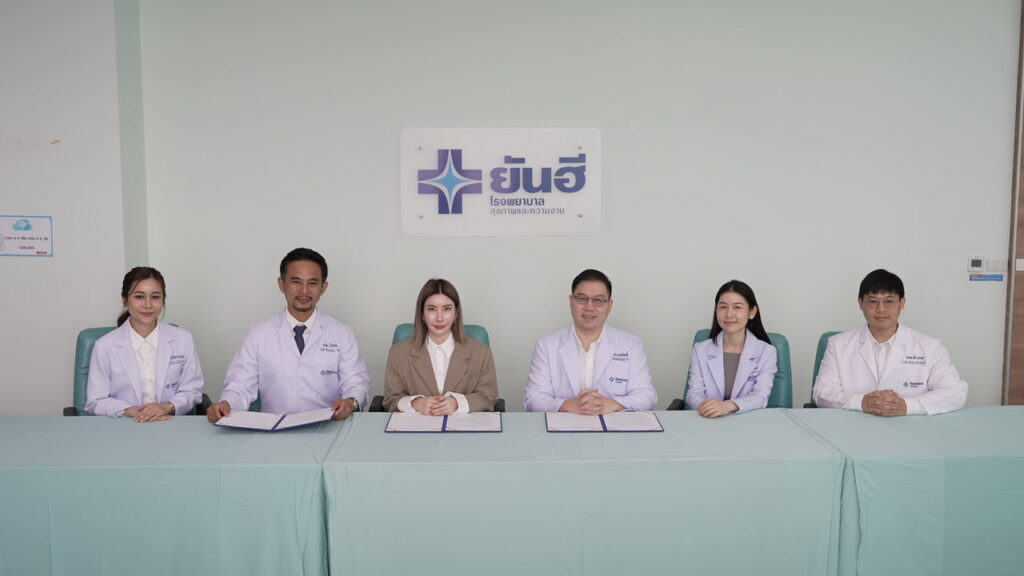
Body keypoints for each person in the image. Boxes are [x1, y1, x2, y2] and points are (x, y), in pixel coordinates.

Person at [206, 248, 370, 423]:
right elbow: (240, 386)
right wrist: (226, 404)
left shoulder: (342, 333)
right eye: (296, 282)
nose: (304, 291)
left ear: (323, 287)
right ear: (281, 284)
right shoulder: (258, 334)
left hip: (328, 425)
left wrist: (351, 402)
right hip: (275, 428)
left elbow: (356, 383)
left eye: (312, 283)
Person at [813, 269, 968, 416]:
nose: (881, 309)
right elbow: (821, 393)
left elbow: (955, 392)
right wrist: (862, 402)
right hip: (853, 425)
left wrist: (907, 406)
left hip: (911, 427)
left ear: (902, 303)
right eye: (872, 301)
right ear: (860, 303)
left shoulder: (930, 347)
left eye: (889, 301)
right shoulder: (838, 344)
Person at [524, 269, 656, 413]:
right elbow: (533, 399)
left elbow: (647, 396)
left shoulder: (630, 344)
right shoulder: (546, 346)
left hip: (615, 424)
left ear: (609, 305)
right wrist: (566, 405)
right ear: (571, 301)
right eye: (582, 299)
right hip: (564, 423)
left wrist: (613, 404)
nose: (589, 307)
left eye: (598, 300)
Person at [86, 267, 204, 420]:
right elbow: (96, 401)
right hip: (124, 424)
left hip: (170, 423)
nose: (148, 305)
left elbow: (193, 390)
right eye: (139, 297)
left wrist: (166, 407)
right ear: (124, 300)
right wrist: (130, 411)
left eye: (155, 297)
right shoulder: (104, 346)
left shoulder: (183, 339)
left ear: (163, 300)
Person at [383, 278, 498, 413]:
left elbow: (488, 397)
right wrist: (416, 404)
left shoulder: (481, 353)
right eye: (431, 309)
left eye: (447, 309)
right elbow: (390, 399)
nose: (439, 318)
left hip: (462, 425)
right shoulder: (398, 353)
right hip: (418, 425)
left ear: (456, 313)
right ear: (422, 314)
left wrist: (457, 403)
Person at [685, 280, 777, 417]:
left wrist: (728, 405)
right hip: (709, 420)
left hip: (747, 421)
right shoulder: (700, 349)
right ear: (716, 310)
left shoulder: (767, 352)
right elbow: (694, 392)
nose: (729, 314)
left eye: (737, 307)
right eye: (723, 307)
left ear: (752, 312)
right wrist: (704, 406)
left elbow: (760, 396)